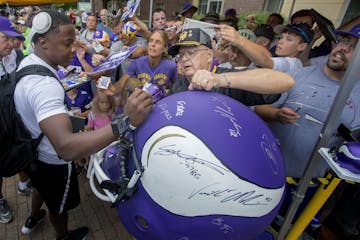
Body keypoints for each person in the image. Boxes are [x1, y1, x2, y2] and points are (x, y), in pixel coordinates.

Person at [14, 10, 152, 239]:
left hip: (33, 152)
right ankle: (63, 236)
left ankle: (34, 216)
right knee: (59, 205)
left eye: (75, 41)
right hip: (52, 161)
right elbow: (66, 147)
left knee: (42, 189)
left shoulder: (30, 62)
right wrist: (125, 121)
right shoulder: (44, 86)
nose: (74, 49)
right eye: (68, 43)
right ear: (43, 42)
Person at [255, 25, 360, 178]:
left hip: (313, 186)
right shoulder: (297, 75)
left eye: (355, 47)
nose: (344, 48)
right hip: (266, 171)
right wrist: (277, 114)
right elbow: (260, 108)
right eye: (344, 41)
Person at [167, 28, 294, 106]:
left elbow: (285, 81)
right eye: (181, 55)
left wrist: (219, 80)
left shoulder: (227, 79)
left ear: (209, 56)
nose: (184, 59)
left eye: (191, 52)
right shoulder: (180, 84)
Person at [0, 16, 32, 224]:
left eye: (15, 39)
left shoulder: (16, 55)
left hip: (14, 118)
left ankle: (23, 183)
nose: (13, 44)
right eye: (7, 39)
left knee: (20, 149)